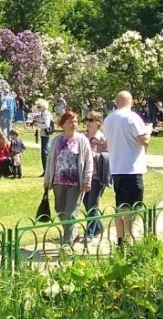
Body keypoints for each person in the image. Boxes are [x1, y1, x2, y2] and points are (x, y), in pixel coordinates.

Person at [103, 91, 151, 246]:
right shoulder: (132, 117)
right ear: (132, 101)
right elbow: (143, 139)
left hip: (116, 167)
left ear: (117, 102)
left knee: (121, 206)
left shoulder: (109, 118)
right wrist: (148, 131)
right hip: (132, 168)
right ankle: (128, 238)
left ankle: (120, 238)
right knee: (133, 207)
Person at [44, 110, 93, 246]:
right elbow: (50, 161)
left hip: (75, 183)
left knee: (71, 212)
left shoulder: (82, 140)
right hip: (58, 181)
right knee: (60, 210)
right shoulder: (56, 140)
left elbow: (89, 161)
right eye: (70, 121)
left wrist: (87, 180)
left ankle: (67, 243)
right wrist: (47, 179)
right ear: (63, 124)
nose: (73, 124)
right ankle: (74, 233)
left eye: (75, 121)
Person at [81, 110, 110, 241]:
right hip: (83, 176)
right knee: (86, 202)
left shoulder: (103, 139)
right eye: (86, 120)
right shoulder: (82, 138)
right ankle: (99, 226)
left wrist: (95, 156)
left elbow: (109, 157)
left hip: (97, 176)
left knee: (92, 204)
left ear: (98, 123)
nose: (88, 122)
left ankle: (90, 233)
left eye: (91, 120)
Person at [30, 99, 54, 173]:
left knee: (45, 152)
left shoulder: (46, 114)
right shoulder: (43, 113)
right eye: (38, 107)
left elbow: (46, 125)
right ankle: (46, 170)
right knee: (44, 152)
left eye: (39, 106)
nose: (38, 108)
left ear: (43, 107)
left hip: (46, 134)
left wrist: (37, 124)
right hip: (44, 134)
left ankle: (46, 170)